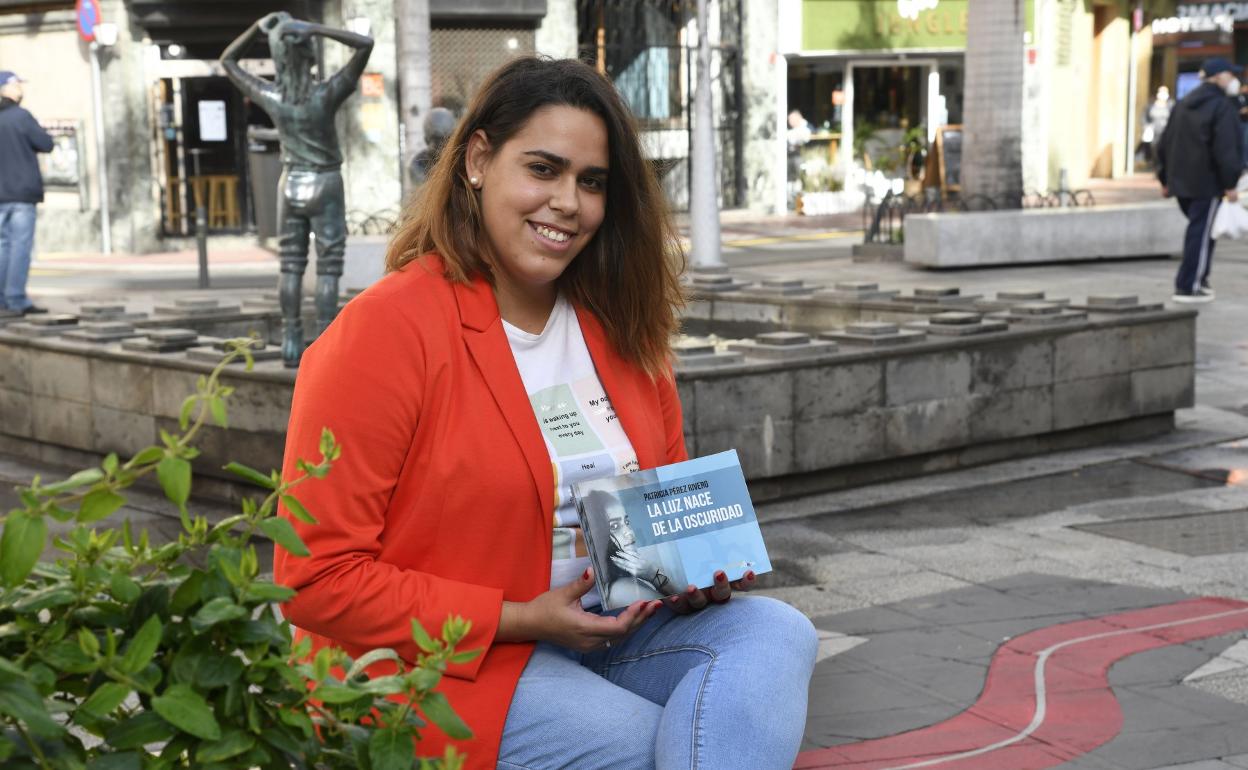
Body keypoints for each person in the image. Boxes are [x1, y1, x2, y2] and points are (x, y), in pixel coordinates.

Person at [274, 57, 818, 770]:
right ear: (477, 160)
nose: (569, 202)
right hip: (441, 660)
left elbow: (664, 513)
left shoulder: (623, 330)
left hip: (612, 629)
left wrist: (695, 568)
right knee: (640, 741)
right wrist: (518, 617)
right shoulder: (386, 331)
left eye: (591, 182)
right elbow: (313, 580)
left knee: (778, 635)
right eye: (544, 168)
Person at [220, 12, 373, 365]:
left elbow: (228, 61)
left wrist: (256, 29)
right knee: (328, 268)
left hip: (290, 185)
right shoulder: (325, 94)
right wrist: (316, 28)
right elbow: (365, 46)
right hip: (325, 183)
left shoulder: (274, 97)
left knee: (290, 266)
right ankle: (323, 339)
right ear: (309, 53)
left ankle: (290, 339)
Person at [1156, 58, 1244, 303]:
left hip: (1181, 183)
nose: (1234, 80)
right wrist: (1230, 183)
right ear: (1218, 77)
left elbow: (1165, 143)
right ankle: (1188, 285)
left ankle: (1200, 280)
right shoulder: (1221, 107)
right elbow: (1226, 148)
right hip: (1208, 183)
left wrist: (1164, 178)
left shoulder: (1183, 104)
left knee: (1203, 231)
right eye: (1230, 74)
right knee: (1201, 233)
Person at [0, 70, 52, 315]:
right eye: (16, 84)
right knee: (20, 246)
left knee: (2, 246)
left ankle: (2, 299)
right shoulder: (21, 117)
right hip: (21, 193)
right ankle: (16, 298)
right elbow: (46, 143)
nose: (21, 88)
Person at [1141, 85, 1173, 166]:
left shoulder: (1170, 105)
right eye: (1161, 92)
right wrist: (1146, 126)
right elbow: (1144, 117)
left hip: (1166, 132)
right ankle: (1155, 165)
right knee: (1154, 150)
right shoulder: (1151, 105)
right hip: (1154, 131)